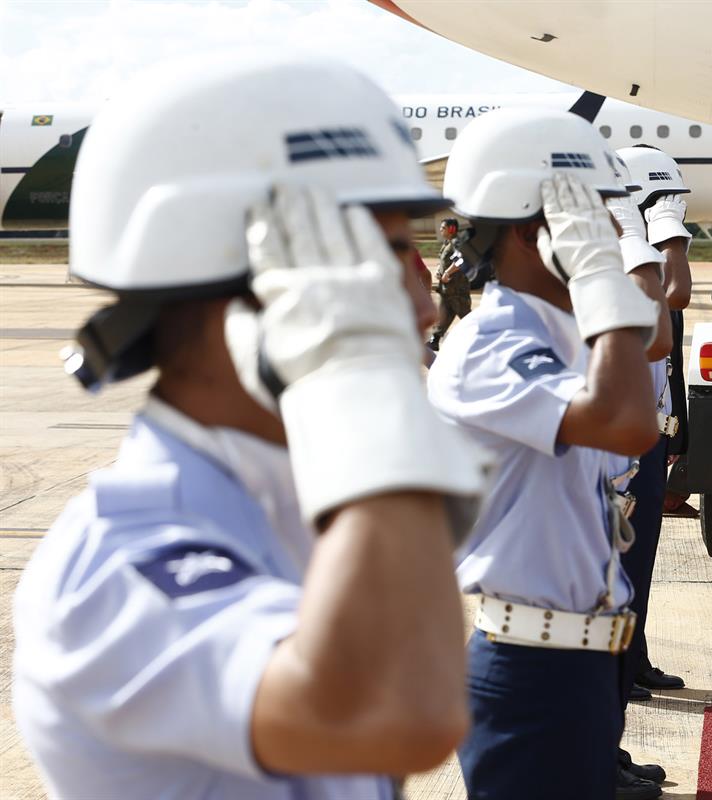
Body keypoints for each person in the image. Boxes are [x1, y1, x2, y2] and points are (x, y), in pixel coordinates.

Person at [12, 52, 486, 798]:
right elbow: (402, 711)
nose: (424, 302)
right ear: (248, 286)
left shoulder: (290, 503)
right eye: (383, 255)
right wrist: (360, 382)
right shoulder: (120, 564)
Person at [428, 107, 664, 800]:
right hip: (531, 675)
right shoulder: (493, 342)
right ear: (541, 234)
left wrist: (625, 258)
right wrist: (595, 272)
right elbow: (629, 423)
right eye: (592, 220)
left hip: (573, 665)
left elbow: (650, 336)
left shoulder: (551, 325)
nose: (611, 239)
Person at [615, 145, 693, 701]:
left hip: (651, 434)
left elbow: (672, 356)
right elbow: (676, 296)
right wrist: (668, 236)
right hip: (617, 440)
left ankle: (633, 658)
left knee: (642, 561)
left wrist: (677, 428)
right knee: (622, 562)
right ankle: (617, 666)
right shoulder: (622, 262)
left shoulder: (651, 261)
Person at [429, 217, 472, 351]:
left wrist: (447, 272)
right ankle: (434, 340)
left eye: (443, 228)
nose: (440, 230)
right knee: (443, 314)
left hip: (457, 290)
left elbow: (461, 260)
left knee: (467, 317)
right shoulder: (448, 243)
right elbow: (445, 261)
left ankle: (480, 339)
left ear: (452, 229)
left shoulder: (456, 242)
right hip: (446, 289)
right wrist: (439, 271)